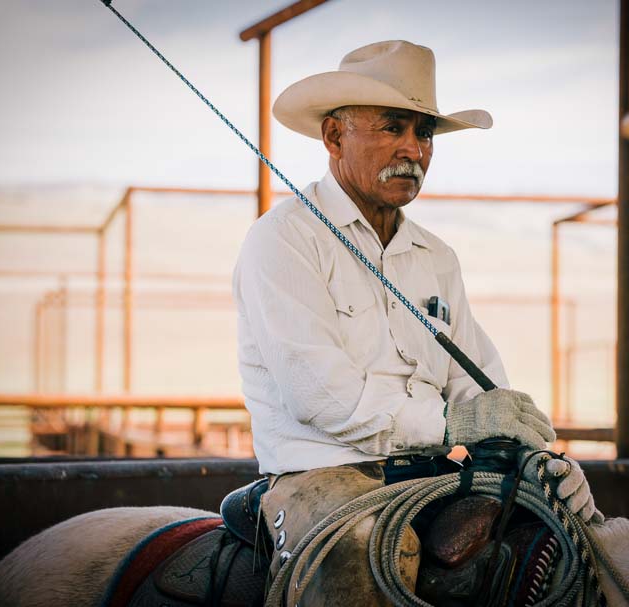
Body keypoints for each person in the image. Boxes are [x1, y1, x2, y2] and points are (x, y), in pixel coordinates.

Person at [233, 40, 600, 605]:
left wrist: (538, 455)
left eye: (423, 132)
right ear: (335, 137)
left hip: (429, 474)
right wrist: (454, 427)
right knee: (361, 551)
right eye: (391, 127)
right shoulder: (284, 239)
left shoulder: (435, 256)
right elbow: (321, 396)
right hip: (316, 479)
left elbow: (480, 384)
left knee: (562, 548)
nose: (412, 149)